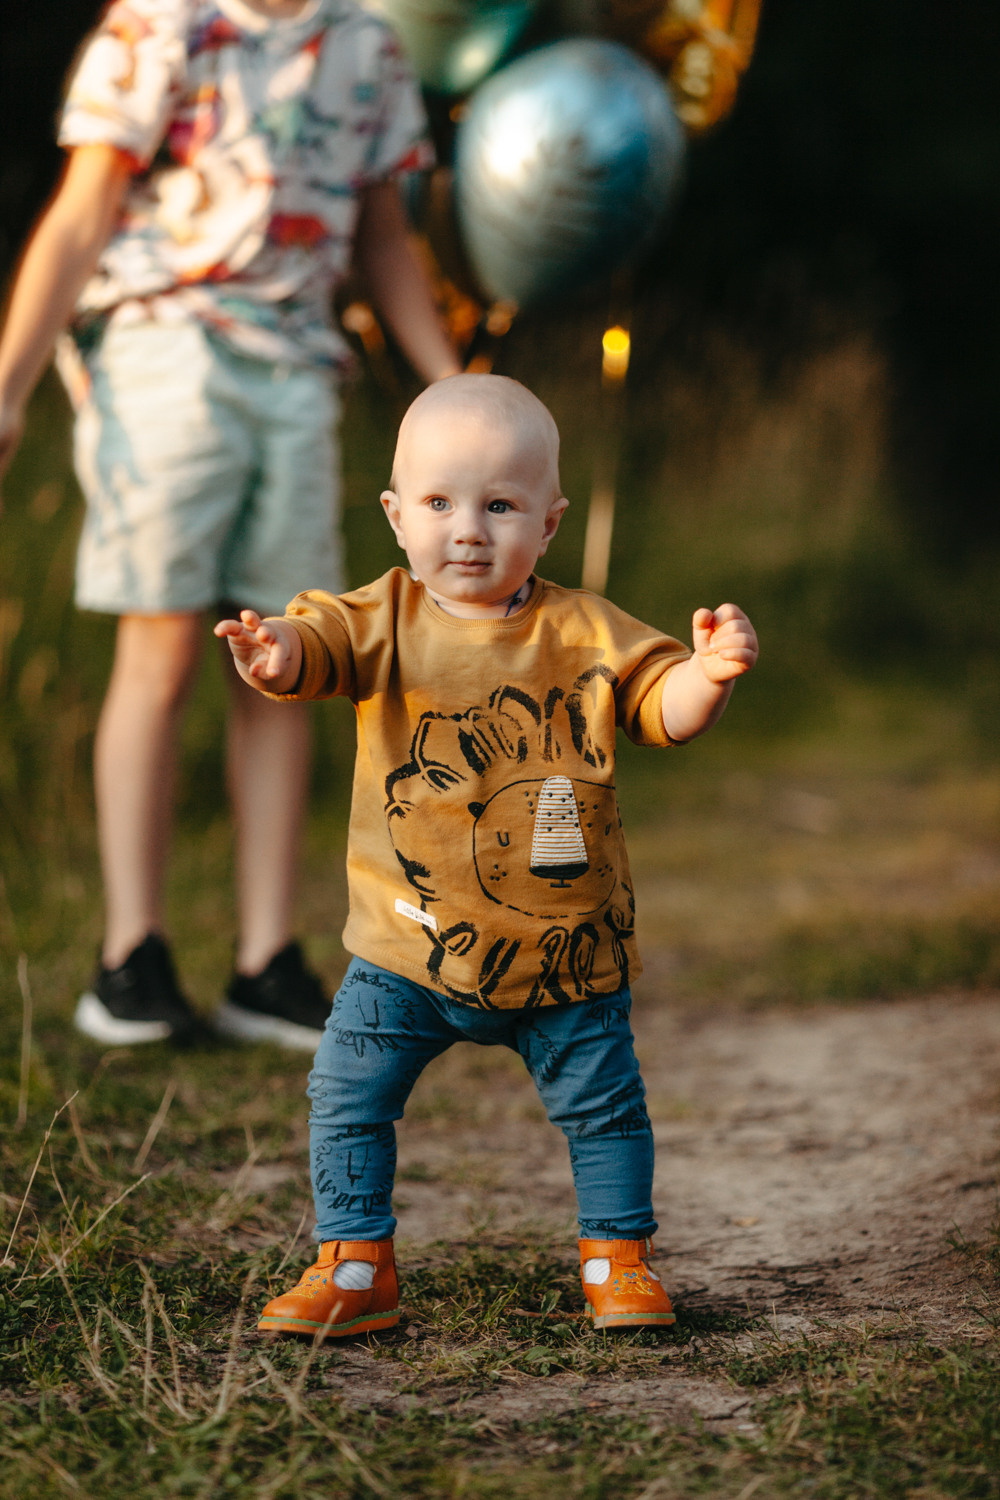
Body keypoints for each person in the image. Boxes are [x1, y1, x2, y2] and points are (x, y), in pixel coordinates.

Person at [215, 373, 759, 1333]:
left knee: (603, 1112)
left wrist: (707, 676)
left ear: (548, 525)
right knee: (346, 1092)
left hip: (565, 954)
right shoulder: (381, 618)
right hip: (403, 949)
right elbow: (316, 646)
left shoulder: (584, 630)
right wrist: (278, 656)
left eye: (499, 505)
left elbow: (658, 708)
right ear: (395, 515)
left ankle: (617, 1259)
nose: (467, 529)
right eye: (439, 502)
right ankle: (353, 1263)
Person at [0, 0, 461, 1049]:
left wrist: (449, 387)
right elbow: (80, 215)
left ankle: (265, 960)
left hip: (299, 369)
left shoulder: (368, 44)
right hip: (165, 354)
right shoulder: (160, 25)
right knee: (159, 646)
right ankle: (132, 957)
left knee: (283, 658)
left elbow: (383, 240)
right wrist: (11, 384)